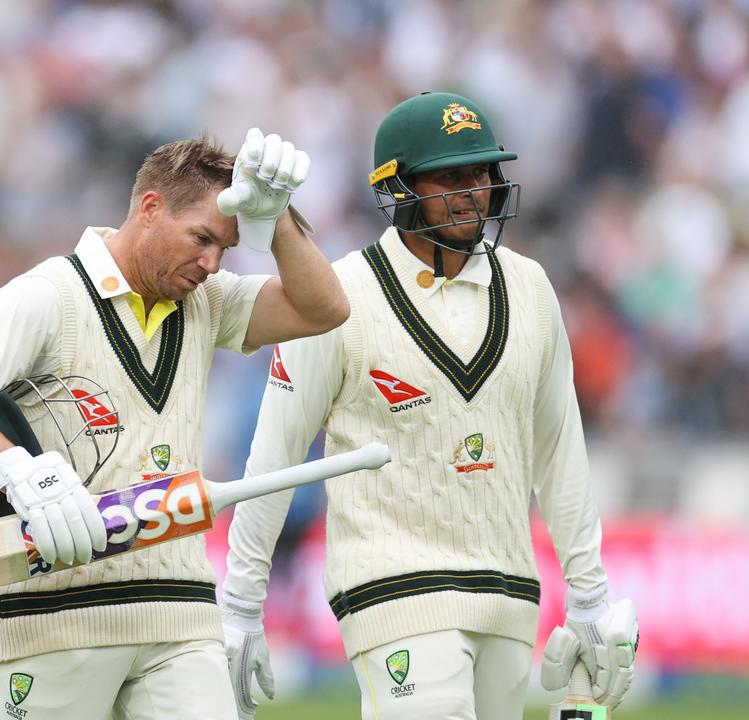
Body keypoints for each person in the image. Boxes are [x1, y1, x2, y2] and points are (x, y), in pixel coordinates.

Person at [0, 128, 349, 720]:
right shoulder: (50, 294)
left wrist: (280, 220)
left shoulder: (207, 301)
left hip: (181, 614)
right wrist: (19, 471)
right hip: (56, 616)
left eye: (226, 249)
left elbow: (324, 309)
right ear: (149, 208)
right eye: (201, 239)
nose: (212, 263)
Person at [221, 92, 639, 720]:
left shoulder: (530, 288)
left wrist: (588, 597)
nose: (474, 191)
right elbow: (274, 455)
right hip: (393, 586)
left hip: (508, 590)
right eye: (451, 176)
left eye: (483, 174)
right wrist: (241, 605)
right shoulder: (337, 297)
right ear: (398, 187)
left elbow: (560, 451)